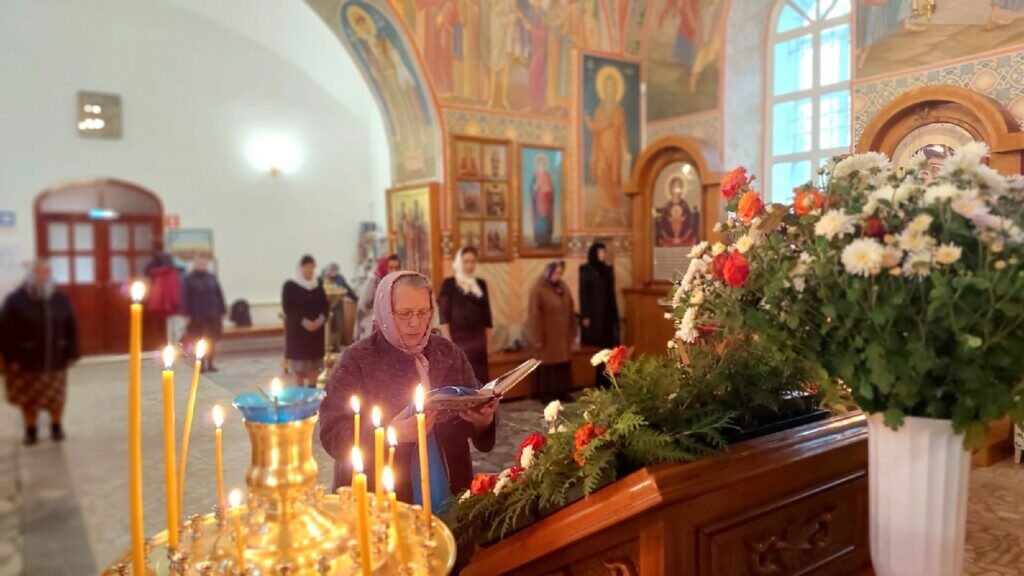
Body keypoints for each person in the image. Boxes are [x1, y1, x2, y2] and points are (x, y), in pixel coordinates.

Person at [319, 271, 498, 509]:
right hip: (382, 494)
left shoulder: (448, 353)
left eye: (423, 312)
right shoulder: (358, 360)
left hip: (449, 482)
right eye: (404, 314)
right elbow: (332, 432)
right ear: (385, 312)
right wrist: (390, 434)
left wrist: (482, 420)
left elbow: (472, 402)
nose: (415, 323)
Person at [0, 260, 79, 445]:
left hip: (55, 358)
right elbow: (5, 331)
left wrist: (72, 353)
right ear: (30, 275)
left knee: (56, 397)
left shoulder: (60, 298)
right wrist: (11, 358)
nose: (42, 276)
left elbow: (71, 327)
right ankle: (31, 429)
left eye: (46, 272)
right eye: (38, 272)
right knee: (28, 399)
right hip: (25, 361)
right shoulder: (15, 299)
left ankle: (56, 426)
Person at [439, 247, 493, 383]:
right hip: (458, 340)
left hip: (478, 340)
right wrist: (449, 344)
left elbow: (487, 316)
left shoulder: (481, 284)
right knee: (461, 379)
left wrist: (489, 344)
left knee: (480, 379)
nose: (470, 265)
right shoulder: (449, 284)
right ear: (459, 262)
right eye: (466, 261)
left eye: (473, 262)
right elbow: (444, 317)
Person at [528, 260, 577, 402]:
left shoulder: (563, 287)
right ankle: (547, 394)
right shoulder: (538, 288)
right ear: (548, 272)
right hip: (547, 336)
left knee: (562, 364)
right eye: (555, 272)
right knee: (548, 366)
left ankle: (562, 391)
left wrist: (573, 330)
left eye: (560, 273)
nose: (558, 276)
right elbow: (534, 315)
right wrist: (537, 338)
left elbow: (571, 308)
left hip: (562, 335)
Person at [282, 255, 330, 387]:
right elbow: (288, 308)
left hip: (316, 332)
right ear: (300, 268)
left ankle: (312, 392)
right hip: (298, 332)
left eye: (312, 267)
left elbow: (325, 305)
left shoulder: (318, 284)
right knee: (300, 368)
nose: (309, 270)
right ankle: (299, 393)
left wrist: (320, 320)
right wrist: (305, 322)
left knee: (314, 366)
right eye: (306, 267)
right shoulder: (290, 285)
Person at [579, 242, 620, 388]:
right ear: (594, 253)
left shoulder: (608, 270)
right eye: (600, 252)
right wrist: (585, 315)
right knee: (597, 349)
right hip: (594, 316)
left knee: (610, 347)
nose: (603, 255)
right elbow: (583, 294)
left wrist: (615, 316)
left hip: (608, 314)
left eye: (604, 252)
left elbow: (611, 293)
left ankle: (609, 379)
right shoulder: (585, 270)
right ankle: (597, 381)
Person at [180, 257, 226, 373]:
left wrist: (223, 310)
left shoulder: (212, 277)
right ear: (195, 264)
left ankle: (210, 363)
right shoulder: (189, 279)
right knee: (197, 340)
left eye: (204, 262)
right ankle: (200, 364)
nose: (202, 264)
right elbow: (185, 298)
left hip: (212, 314)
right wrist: (186, 314)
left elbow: (219, 294)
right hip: (196, 315)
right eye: (200, 262)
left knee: (212, 339)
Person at [353, 254, 401, 341]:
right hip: (372, 324)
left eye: (397, 268)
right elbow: (362, 305)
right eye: (390, 268)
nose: (394, 271)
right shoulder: (374, 281)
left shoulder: (400, 282)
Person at [320, 262, 359, 351]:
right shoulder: (321, 278)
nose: (333, 273)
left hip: (337, 307)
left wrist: (356, 298)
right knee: (326, 328)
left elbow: (347, 289)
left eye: (335, 271)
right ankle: (325, 347)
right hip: (324, 307)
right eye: (332, 271)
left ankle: (336, 346)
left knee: (338, 326)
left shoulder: (340, 278)